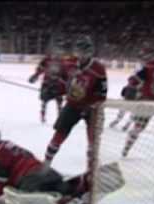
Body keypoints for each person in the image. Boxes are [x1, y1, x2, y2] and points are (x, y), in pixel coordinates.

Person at [43, 35, 107, 172]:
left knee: (92, 142)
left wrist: (90, 106)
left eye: (85, 52)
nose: (82, 55)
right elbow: (62, 82)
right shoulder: (69, 64)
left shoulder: (98, 69)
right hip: (72, 106)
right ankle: (45, 166)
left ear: (91, 52)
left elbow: (102, 93)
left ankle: (91, 172)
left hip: (91, 109)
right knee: (58, 136)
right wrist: (54, 89)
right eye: (79, 52)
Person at [28, 45, 67, 124]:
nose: (57, 55)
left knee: (59, 102)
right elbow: (40, 69)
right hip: (47, 84)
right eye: (56, 52)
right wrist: (35, 76)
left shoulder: (64, 62)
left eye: (59, 53)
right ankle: (43, 116)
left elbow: (66, 74)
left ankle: (60, 118)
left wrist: (65, 81)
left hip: (58, 85)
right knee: (44, 101)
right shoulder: (47, 60)